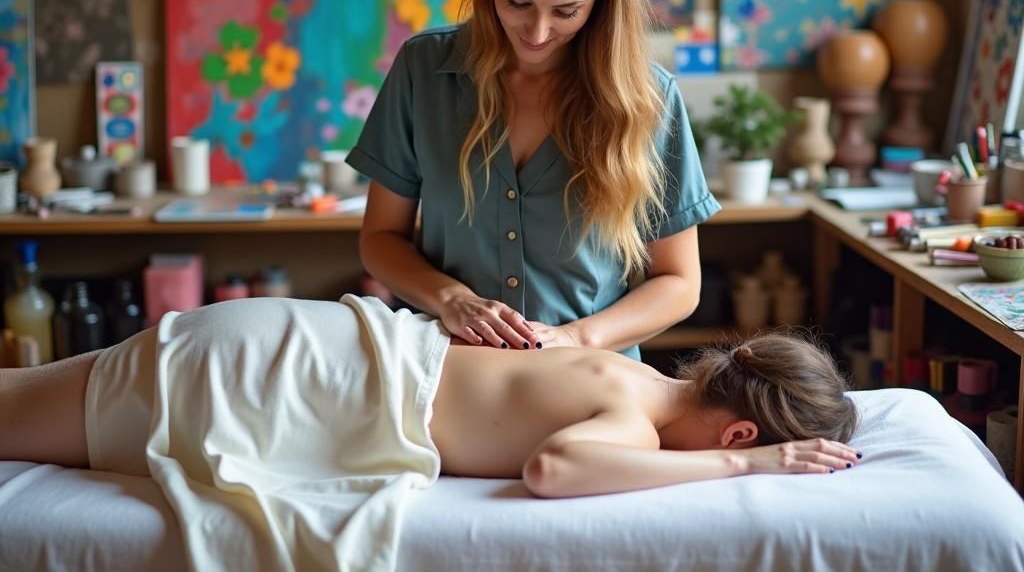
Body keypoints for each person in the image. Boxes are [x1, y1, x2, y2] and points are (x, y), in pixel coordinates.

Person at [347, 0, 720, 359]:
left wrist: (575, 337)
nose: (537, 31)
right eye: (516, 1)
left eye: (566, 11)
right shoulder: (423, 69)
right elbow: (380, 239)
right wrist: (450, 298)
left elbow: (680, 282)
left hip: (589, 376)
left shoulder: (649, 99)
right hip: (449, 374)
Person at [0, 296, 860, 499]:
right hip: (268, 380)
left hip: (280, 340)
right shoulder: (632, 421)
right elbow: (553, 470)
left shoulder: (624, 373)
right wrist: (747, 465)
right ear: (740, 423)